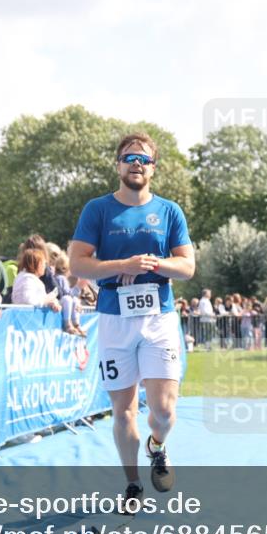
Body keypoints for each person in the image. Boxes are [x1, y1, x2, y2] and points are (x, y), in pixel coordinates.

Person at [69, 132, 195, 511]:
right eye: (129, 158)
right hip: (113, 320)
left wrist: (152, 263)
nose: (136, 164)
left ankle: (157, 446)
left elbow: (187, 267)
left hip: (158, 319)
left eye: (143, 158)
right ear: (118, 165)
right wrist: (122, 265)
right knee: (122, 410)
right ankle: (133, 484)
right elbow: (77, 263)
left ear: (153, 168)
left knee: (164, 411)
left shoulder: (170, 211)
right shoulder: (98, 210)